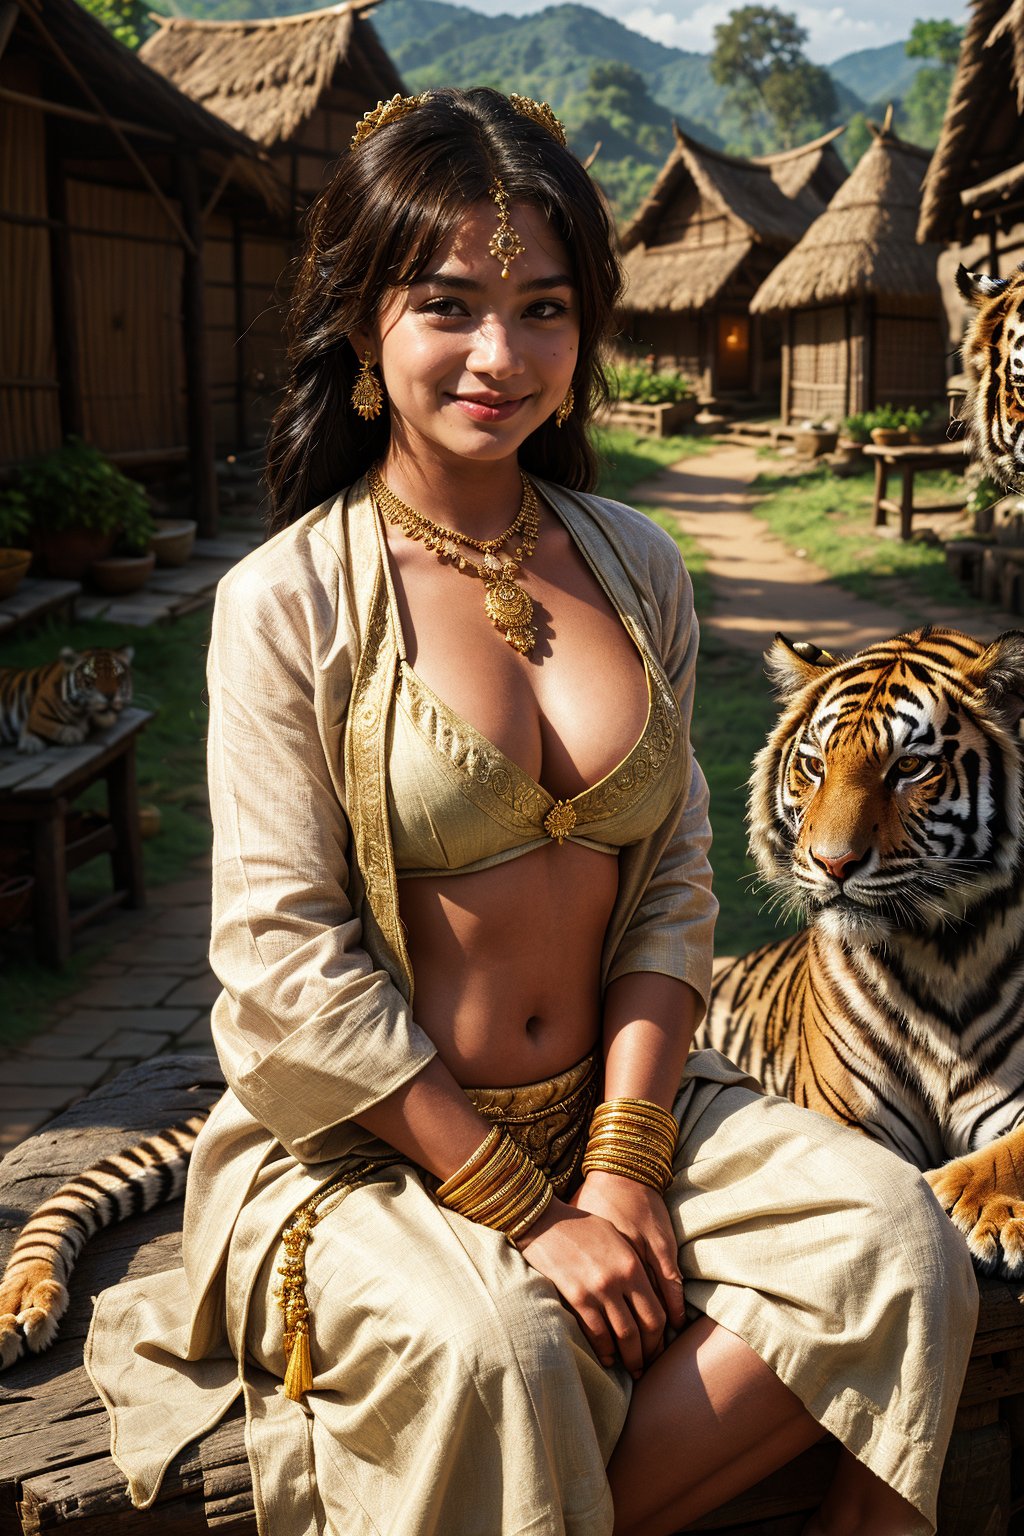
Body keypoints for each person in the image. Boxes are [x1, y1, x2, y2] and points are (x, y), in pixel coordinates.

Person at [85, 88, 977, 1536]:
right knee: (497, 1349)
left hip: (626, 1113)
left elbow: (676, 881)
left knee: (902, 1243)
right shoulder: (290, 602)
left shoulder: (640, 568)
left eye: (545, 308)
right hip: (380, 1148)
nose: (502, 356)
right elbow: (283, 966)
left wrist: (620, 1166)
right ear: (364, 319)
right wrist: (526, 1205)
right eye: (450, 304)